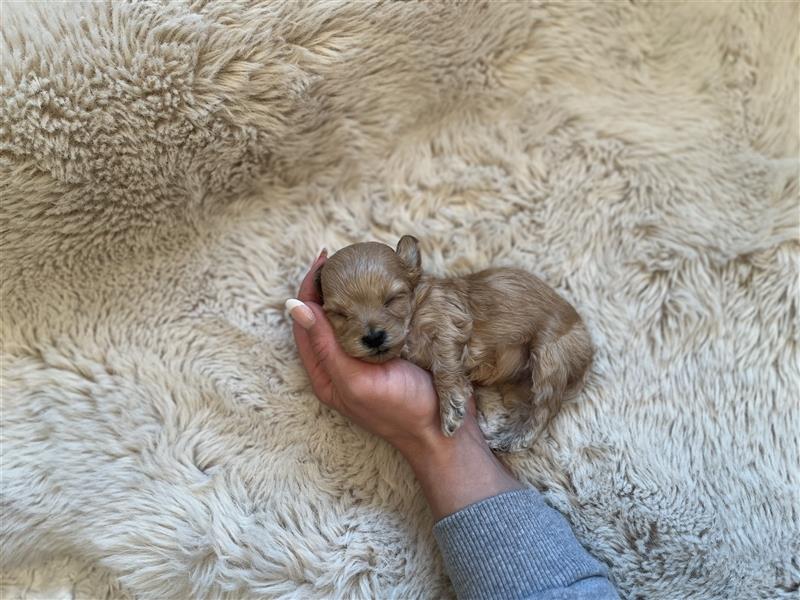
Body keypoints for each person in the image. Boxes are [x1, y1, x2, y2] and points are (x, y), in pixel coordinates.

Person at [286, 250, 618, 600]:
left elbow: (454, 332)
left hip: (557, 338)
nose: (371, 330)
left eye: (393, 300)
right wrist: (426, 428)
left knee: (551, 370)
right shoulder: (400, 328)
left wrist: (447, 388)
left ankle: (534, 420)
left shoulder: (434, 305)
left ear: (413, 277)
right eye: (340, 314)